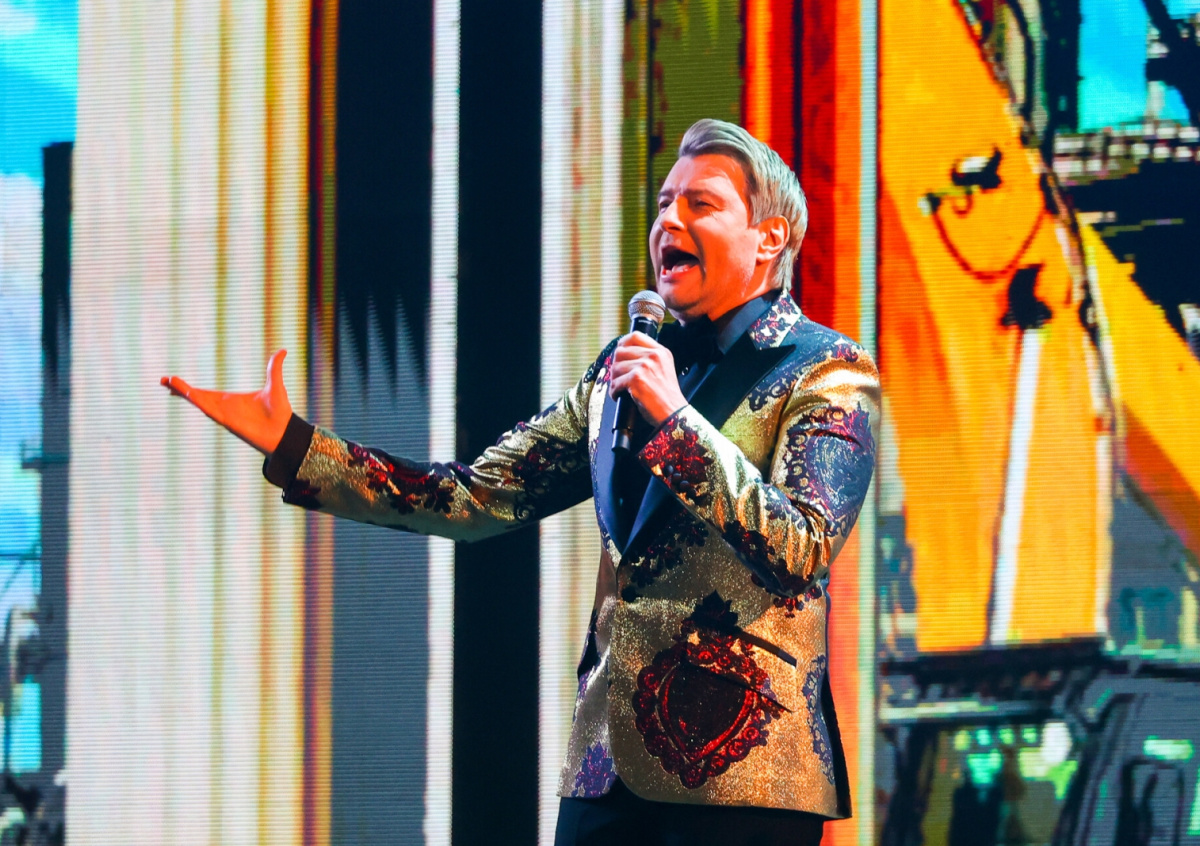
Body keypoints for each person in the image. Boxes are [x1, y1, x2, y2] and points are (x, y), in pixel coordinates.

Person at [162, 118, 879, 846]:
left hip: (745, 766)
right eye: (665, 203)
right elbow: (475, 496)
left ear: (769, 238)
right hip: (607, 769)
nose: (669, 221)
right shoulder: (626, 366)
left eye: (701, 204)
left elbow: (803, 544)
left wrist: (675, 420)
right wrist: (294, 445)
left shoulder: (825, 370)